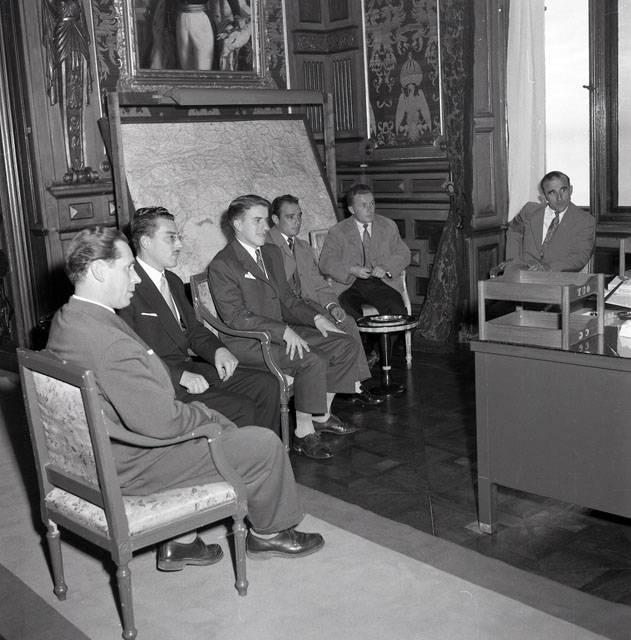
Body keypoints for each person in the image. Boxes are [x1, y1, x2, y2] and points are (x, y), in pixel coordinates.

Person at [46, 226, 324, 569]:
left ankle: (181, 540)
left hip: (95, 454)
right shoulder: (109, 342)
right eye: (128, 268)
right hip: (133, 463)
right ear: (100, 270)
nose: (135, 278)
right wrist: (212, 419)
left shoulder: (67, 319)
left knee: (239, 416)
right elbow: (163, 423)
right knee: (263, 445)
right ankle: (270, 534)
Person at [208, 195, 362, 461]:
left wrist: (317, 318)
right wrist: (282, 332)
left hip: (282, 329)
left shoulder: (270, 252)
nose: (265, 227)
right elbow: (236, 318)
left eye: (266, 221)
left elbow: (287, 298)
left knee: (345, 343)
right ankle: (303, 432)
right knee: (312, 359)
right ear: (237, 224)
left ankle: (321, 416)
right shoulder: (223, 264)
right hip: (250, 341)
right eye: (257, 221)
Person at [118, 206, 280, 434]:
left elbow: (193, 329)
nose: (179, 244)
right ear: (145, 242)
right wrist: (179, 376)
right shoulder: (126, 287)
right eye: (171, 238)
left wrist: (218, 351)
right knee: (242, 407)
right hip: (162, 382)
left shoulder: (172, 281)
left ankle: (265, 450)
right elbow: (130, 354)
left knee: (267, 384)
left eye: (179, 237)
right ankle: (244, 454)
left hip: (190, 368)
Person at [266, 194, 382, 407]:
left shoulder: (302, 247)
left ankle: (355, 386)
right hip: (286, 311)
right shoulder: (266, 247)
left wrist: (332, 305)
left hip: (310, 305)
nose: (297, 222)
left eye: (299, 216)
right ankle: (340, 390)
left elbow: (318, 284)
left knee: (346, 321)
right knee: (337, 333)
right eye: (290, 217)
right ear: (275, 219)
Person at [318, 183, 411, 320]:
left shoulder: (388, 226)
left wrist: (386, 267)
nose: (370, 209)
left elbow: (403, 253)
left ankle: (389, 335)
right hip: (349, 285)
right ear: (351, 209)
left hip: (382, 283)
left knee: (397, 312)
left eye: (372, 204)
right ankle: (360, 335)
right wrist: (351, 269)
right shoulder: (338, 231)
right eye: (364, 205)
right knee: (348, 313)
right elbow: (326, 262)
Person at [503, 171, 596, 273]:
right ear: (543, 197)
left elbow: (580, 256)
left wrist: (548, 267)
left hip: (558, 277)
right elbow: (513, 231)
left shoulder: (585, 221)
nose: (559, 198)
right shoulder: (529, 211)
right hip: (524, 275)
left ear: (571, 190)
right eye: (552, 193)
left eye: (563, 190)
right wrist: (513, 261)